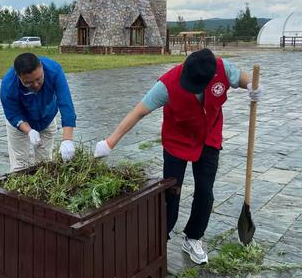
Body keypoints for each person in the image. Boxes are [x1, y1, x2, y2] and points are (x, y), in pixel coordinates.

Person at [94, 48, 263, 264]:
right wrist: (110, 142)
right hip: (177, 141)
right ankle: (159, 237)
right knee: (171, 192)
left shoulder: (222, 68)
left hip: (209, 138)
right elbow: (139, 111)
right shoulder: (167, 84)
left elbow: (241, 78)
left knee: (205, 192)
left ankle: (193, 237)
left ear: (211, 77)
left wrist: (251, 86)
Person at [0, 52, 77, 171]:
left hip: (47, 118)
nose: (36, 85)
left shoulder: (54, 71)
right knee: (20, 165)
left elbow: (65, 104)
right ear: (18, 76)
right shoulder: (8, 84)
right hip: (19, 123)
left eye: (39, 79)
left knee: (45, 164)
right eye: (28, 82)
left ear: (41, 67)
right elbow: (13, 114)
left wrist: (67, 139)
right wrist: (29, 131)